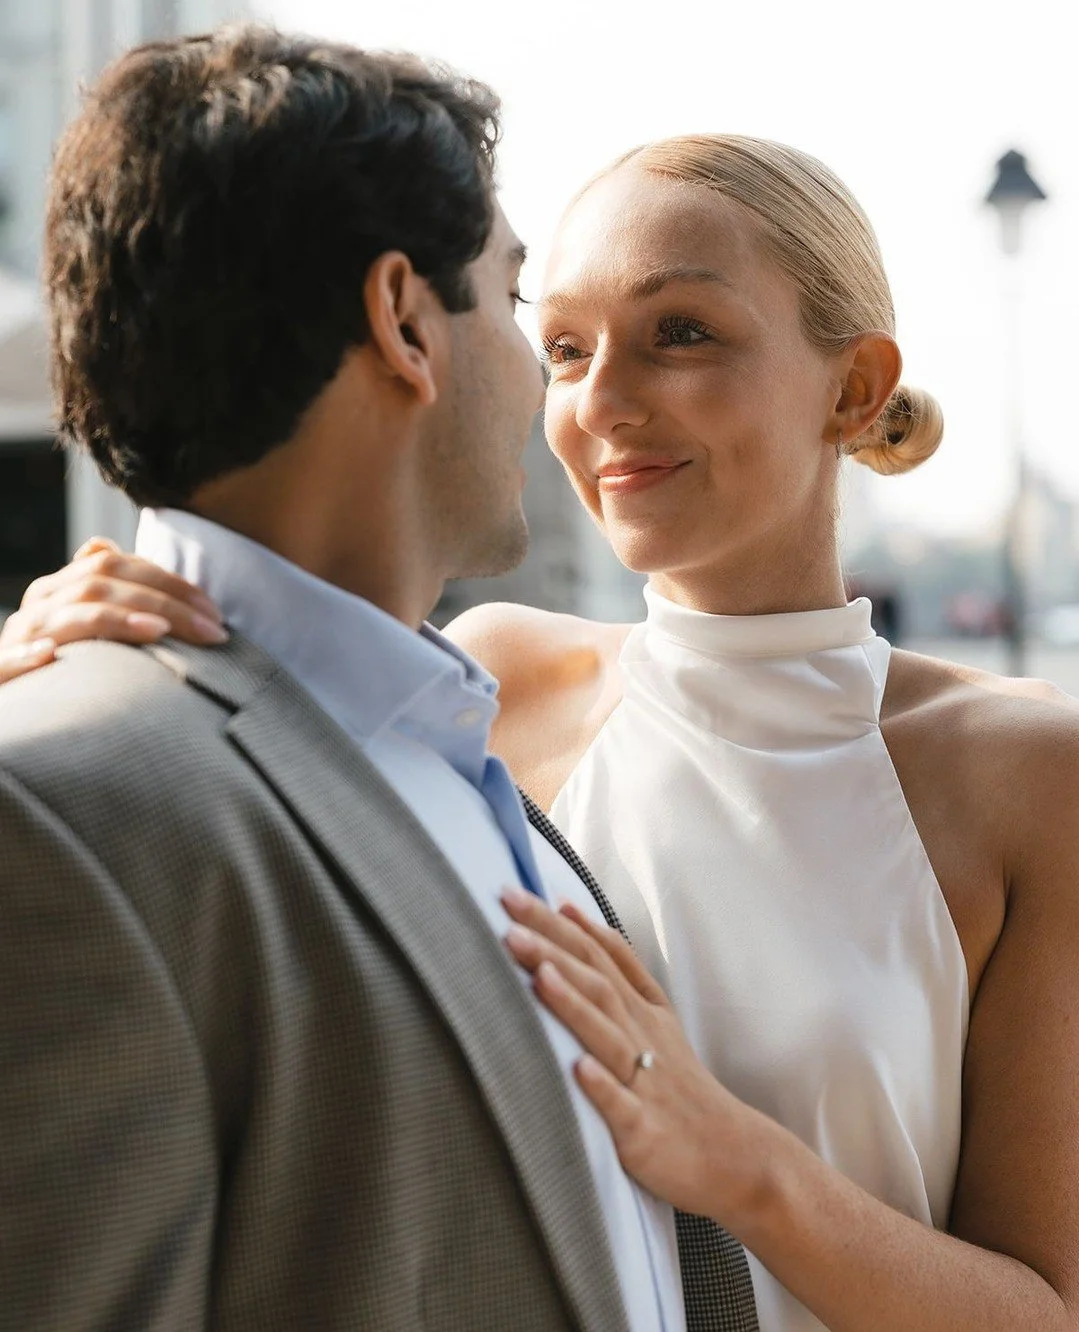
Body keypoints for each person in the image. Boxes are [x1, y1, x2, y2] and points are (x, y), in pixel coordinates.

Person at [9, 105, 1079, 1332]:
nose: (600, 401)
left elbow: (1041, 1307)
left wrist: (740, 1164)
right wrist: (51, 650)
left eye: (679, 333)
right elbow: (188, 820)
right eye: (564, 348)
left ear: (854, 387)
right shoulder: (481, 683)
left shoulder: (1024, 773)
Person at [0, 29, 758, 1332]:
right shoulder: (60, 814)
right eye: (514, 306)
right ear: (405, 322)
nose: (550, 391)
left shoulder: (472, 764)